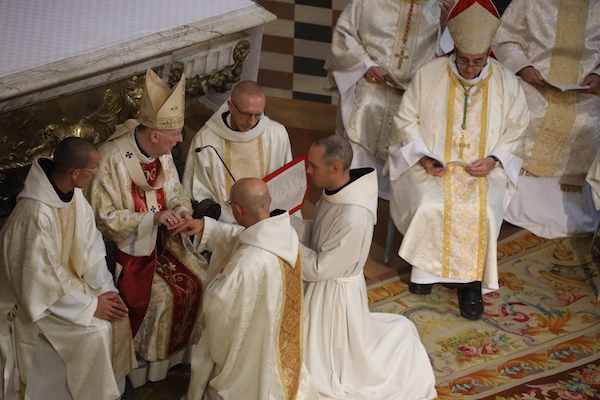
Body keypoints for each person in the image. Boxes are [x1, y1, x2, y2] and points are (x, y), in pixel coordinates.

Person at [387, 0, 530, 320]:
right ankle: (423, 271)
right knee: (429, 205)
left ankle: (471, 285)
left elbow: (519, 127)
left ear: (487, 55)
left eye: (477, 61)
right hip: (432, 167)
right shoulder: (429, 74)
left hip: (484, 169)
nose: (469, 68)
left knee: (481, 211)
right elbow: (404, 120)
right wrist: (423, 157)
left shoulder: (506, 81)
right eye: (463, 60)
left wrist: (494, 159)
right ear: (454, 53)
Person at [289, 135, 437, 399]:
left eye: (313, 165)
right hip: (327, 283)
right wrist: (289, 224)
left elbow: (320, 268)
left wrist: (283, 240)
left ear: (335, 168)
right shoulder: (336, 192)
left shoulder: (354, 216)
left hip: (333, 296)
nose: (308, 171)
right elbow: (322, 235)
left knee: (323, 364)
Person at [87, 69, 208, 387]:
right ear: (155, 134)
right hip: (128, 251)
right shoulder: (110, 159)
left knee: (203, 280)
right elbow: (102, 217)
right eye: (176, 134)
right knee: (161, 297)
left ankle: (171, 366)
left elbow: (178, 192)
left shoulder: (162, 154)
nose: (180, 140)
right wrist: (150, 219)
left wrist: (180, 212)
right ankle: (141, 373)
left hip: (167, 243)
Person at [0, 137, 136, 400]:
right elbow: (38, 280)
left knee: (117, 315)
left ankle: (110, 392)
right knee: (95, 331)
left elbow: (90, 246)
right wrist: (90, 306)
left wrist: (105, 290)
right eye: (92, 170)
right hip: (32, 302)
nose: (95, 174)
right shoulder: (34, 215)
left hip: (64, 287)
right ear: (76, 173)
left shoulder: (73, 196)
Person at [170, 178, 318, 400]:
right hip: (277, 336)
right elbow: (244, 237)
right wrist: (207, 227)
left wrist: (219, 280)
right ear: (268, 201)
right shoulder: (285, 236)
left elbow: (219, 307)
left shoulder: (248, 262)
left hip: (251, 351)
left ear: (237, 209)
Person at [491, 0, 600, 238]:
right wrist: (523, 67)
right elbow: (504, 37)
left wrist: (597, 74)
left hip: (582, 90)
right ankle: (514, 205)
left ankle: (572, 213)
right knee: (528, 116)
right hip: (535, 84)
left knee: (587, 124)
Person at [325, 0, 455, 199]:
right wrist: (365, 66)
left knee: (416, 116)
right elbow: (345, 33)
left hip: (416, 89)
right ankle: (354, 186)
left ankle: (396, 197)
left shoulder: (441, 6)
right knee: (366, 105)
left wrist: (448, 25)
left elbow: (456, 56)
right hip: (374, 83)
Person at [182, 81, 294, 222]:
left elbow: (287, 183)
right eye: (246, 114)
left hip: (269, 218)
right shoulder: (206, 140)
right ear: (231, 106)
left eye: (258, 114)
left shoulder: (276, 134)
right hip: (225, 222)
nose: (251, 121)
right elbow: (198, 190)